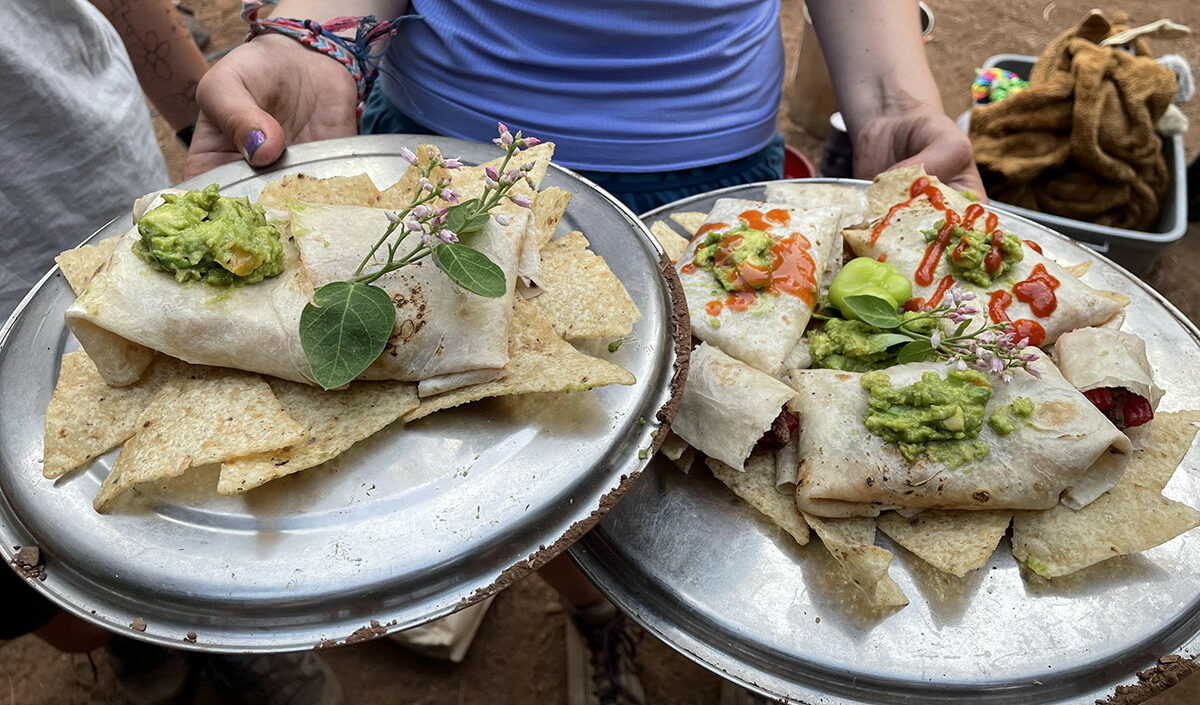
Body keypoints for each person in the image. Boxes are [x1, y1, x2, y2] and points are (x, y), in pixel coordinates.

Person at [185, 2, 984, 702]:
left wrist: (894, 102)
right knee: (508, 479)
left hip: (715, 201)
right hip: (448, 195)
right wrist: (316, 38)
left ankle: (716, 639)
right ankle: (593, 610)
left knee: (716, 480)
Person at [1, 3, 343, 704]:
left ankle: (221, 627)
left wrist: (201, 111)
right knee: (63, 605)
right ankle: (134, 637)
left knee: (208, 496)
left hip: (101, 192)